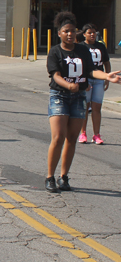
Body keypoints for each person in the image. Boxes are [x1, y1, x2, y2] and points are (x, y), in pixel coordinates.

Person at [45, 12, 120, 192]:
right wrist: (68, 86)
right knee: (58, 136)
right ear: (60, 33)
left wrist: (107, 76)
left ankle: (64, 177)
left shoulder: (83, 51)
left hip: (78, 98)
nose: (70, 34)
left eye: (72, 31)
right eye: (66, 31)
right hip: (59, 96)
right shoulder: (55, 52)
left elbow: (92, 72)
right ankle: (49, 177)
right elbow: (55, 75)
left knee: (71, 138)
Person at [78, 23, 111, 145]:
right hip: (86, 80)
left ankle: (97, 135)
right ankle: (83, 133)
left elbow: (106, 62)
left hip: (99, 80)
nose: (92, 35)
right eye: (90, 32)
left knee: (97, 108)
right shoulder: (80, 47)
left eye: (94, 33)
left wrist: (107, 77)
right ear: (84, 34)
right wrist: (82, 81)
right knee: (85, 107)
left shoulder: (101, 46)